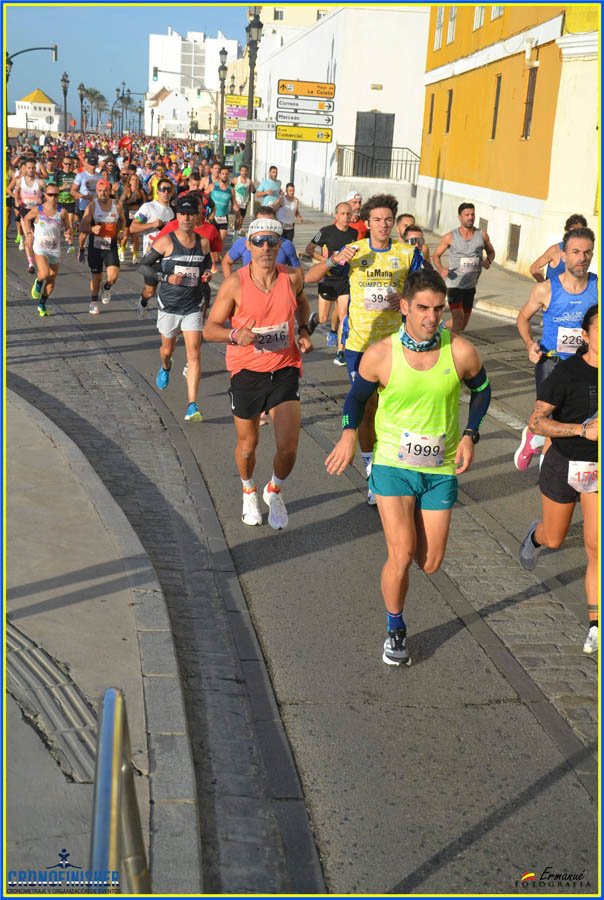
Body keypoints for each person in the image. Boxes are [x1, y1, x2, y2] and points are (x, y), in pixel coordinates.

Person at [326, 269, 490, 666]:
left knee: (429, 563)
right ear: (405, 307)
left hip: (439, 469)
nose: (431, 317)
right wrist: (349, 435)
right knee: (401, 554)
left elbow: (483, 393)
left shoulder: (461, 352)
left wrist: (470, 433)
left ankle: (413, 528)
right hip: (392, 465)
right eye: (422, 308)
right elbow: (355, 401)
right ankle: (395, 629)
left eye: (437, 308)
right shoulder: (381, 354)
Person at [203, 217, 313, 530]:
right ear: (248, 246)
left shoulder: (292, 276)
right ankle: (248, 489)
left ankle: (274, 490)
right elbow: (210, 329)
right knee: (248, 445)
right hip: (247, 371)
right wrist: (235, 335)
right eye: (259, 241)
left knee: (288, 448)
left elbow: (302, 304)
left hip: (284, 368)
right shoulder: (235, 283)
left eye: (272, 242)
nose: (266, 247)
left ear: (281, 246)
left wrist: (303, 330)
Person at [306, 193, 417, 502]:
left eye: (388, 220)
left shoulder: (406, 253)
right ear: (366, 223)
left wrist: (405, 300)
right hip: (359, 346)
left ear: (394, 224)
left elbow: (428, 291)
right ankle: (372, 471)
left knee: (392, 412)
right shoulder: (354, 251)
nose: (383, 225)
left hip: (396, 346)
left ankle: (392, 465)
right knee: (368, 409)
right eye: (377, 220)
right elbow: (310, 277)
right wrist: (332, 260)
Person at [518, 305, 598, 656]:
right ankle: (536, 538)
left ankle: (595, 626)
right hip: (564, 463)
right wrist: (580, 430)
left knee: (596, 549)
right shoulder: (568, 373)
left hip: (597, 471)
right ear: (586, 336)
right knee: (555, 537)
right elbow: (537, 422)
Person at [515, 227, 597, 470]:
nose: (582, 257)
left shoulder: (598, 287)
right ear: (563, 255)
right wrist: (530, 344)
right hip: (552, 363)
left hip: (585, 364)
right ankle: (548, 464)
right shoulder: (546, 289)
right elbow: (522, 317)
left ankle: (553, 465)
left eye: (587, 252)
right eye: (575, 252)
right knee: (552, 418)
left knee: (579, 418)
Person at [138, 195, 212, 422]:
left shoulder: (203, 242)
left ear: (197, 215)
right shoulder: (166, 241)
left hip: (192, 304)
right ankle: (165, 367)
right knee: (167, 350)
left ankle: (192, 405)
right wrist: (166, 277)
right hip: (169, 305)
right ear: (177, 215)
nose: (187, 218)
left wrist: (206, 274)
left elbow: (206, 264)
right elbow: (144, 266)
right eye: (182, 214)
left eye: (191, 214)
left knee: (194, 354)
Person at [304, 201, 358, 365]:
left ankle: (340, 352)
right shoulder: (325, 232)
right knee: (323, 318)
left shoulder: (354, 234)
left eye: (349, 214)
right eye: (343, 214)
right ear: (336, 215)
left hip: (344, 280)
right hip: (327, 278)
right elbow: (309, 249)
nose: (346, 217)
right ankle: (314, 319)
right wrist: (328, 261)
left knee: (344, 316)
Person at [432, 202, 495, 333]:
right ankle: (453, 350)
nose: (470, 217)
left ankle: (441, 327)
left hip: (470, 286)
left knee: (462, 324)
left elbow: (491, 252)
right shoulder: (450, 237)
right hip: (454, 285)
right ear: (460, 217)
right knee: (459, 319)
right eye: (467, 215)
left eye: (472, 214)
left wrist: (488, 260)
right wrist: (442, 269)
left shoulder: (482, 235)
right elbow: (436, 256)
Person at [22, 183, 72, 316]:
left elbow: (68, 228)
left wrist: (68, 233)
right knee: (44, 274)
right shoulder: (38, 209)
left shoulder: (62, 212)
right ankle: (38, 281)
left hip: (55, 249)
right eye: (50, 195)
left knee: (52, 279)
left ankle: (42, 303)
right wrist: (28, 234)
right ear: (45, 196)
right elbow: (26, 219)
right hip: (40, 248)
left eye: (56, 195)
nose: (53, 197)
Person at [129, 177, 176, 318]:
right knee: (150, 291)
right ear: (157, 191)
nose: (166, 192)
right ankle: (143, 301)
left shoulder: (174, 210)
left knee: (171, 288)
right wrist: (152, 224)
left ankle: (170, 318)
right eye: (163, 189)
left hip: (170, 256)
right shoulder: (148, 207)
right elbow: (133, 228)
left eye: (169, 189)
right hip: (152, 257)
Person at [80, 178, 126, 315]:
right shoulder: (92, 206)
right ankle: (94, 302)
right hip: (95, 245)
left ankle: (107, 287)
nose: (103, 193)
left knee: (113, 276)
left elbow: (123, 220)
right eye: (100, 191)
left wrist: (122, 231)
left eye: (105, 190)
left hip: (110, 244)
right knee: (97, 277)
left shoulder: (116, 205)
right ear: (96, 192)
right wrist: (92, 229)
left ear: (109, 190)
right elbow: (82, 225)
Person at [222, 207, 301, 276]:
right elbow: (226, 262)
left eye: (269, 224)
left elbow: (297, 272)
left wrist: (293, 290)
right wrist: (232, 285)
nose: (265, 228)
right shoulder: (242, 243)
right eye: (261, 224)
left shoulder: (286, 245)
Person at [529, 214, 588, 283]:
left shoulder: (583, 253)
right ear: (567, 231)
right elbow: (534, 268)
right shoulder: (555, 250)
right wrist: (546, 286)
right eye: (573, 230)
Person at [10, 156, 43, 274]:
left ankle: (40, 260)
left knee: (38, 238)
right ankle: (30, 264)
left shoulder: (39, 182)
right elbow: (13, 190)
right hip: (25, 211)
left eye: (33, 168)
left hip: (37, 212)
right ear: (25, 168)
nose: (31, 170)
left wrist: (43, 200)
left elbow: (50, 193)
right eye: (29, 168)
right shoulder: (20, 180)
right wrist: (17, 200)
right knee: (30, 237)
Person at [70, 153, 102, 263]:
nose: (93, 166)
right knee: (84, 232)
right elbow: (73, 190)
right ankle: (82, 248)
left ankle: (96, 252)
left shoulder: (100, 177)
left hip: (97, 207)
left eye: (94, 164)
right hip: (84, 206)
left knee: (97, 230)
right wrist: (83, 196)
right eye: (91, 164)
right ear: (86, 164)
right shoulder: (81, 176)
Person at [118, 173, 148, 262]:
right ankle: (121, 250)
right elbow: (120, 202)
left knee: (136, 237)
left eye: (136, 180)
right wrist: (121, 215)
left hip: (137, 215)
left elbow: (145, 203)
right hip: (127, 214)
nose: (135, 181)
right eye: (133, 179)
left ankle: (135, 256)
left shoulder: (141, 191)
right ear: (130, 181)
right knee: (126, 236)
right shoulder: (127, 190)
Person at [210, 165, 237, 242]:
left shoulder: (231, 189)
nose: (224, 175)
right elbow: (204, 198)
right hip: (212, 217)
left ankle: (219, 254)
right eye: (223, 174)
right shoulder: (213, 186)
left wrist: (238, 216)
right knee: (212, 241)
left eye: (226, 174)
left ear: (229, 175)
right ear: (219, 175)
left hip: (223, 218)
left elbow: (234, 204)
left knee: (221, 241)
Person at [231, 163, 255, 234]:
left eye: (245, 171)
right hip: (236, 202)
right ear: (240, 171)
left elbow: (253, 191)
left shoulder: (249, 181)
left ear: (247, 172)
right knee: (239, 218)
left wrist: (252, 187)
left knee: (241, 219)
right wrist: (233, 201)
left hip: (244, 203)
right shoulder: (235, 179)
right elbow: (230, 189)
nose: (244, 172)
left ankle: (237, 231)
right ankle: (235, 232)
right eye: (242, 171)